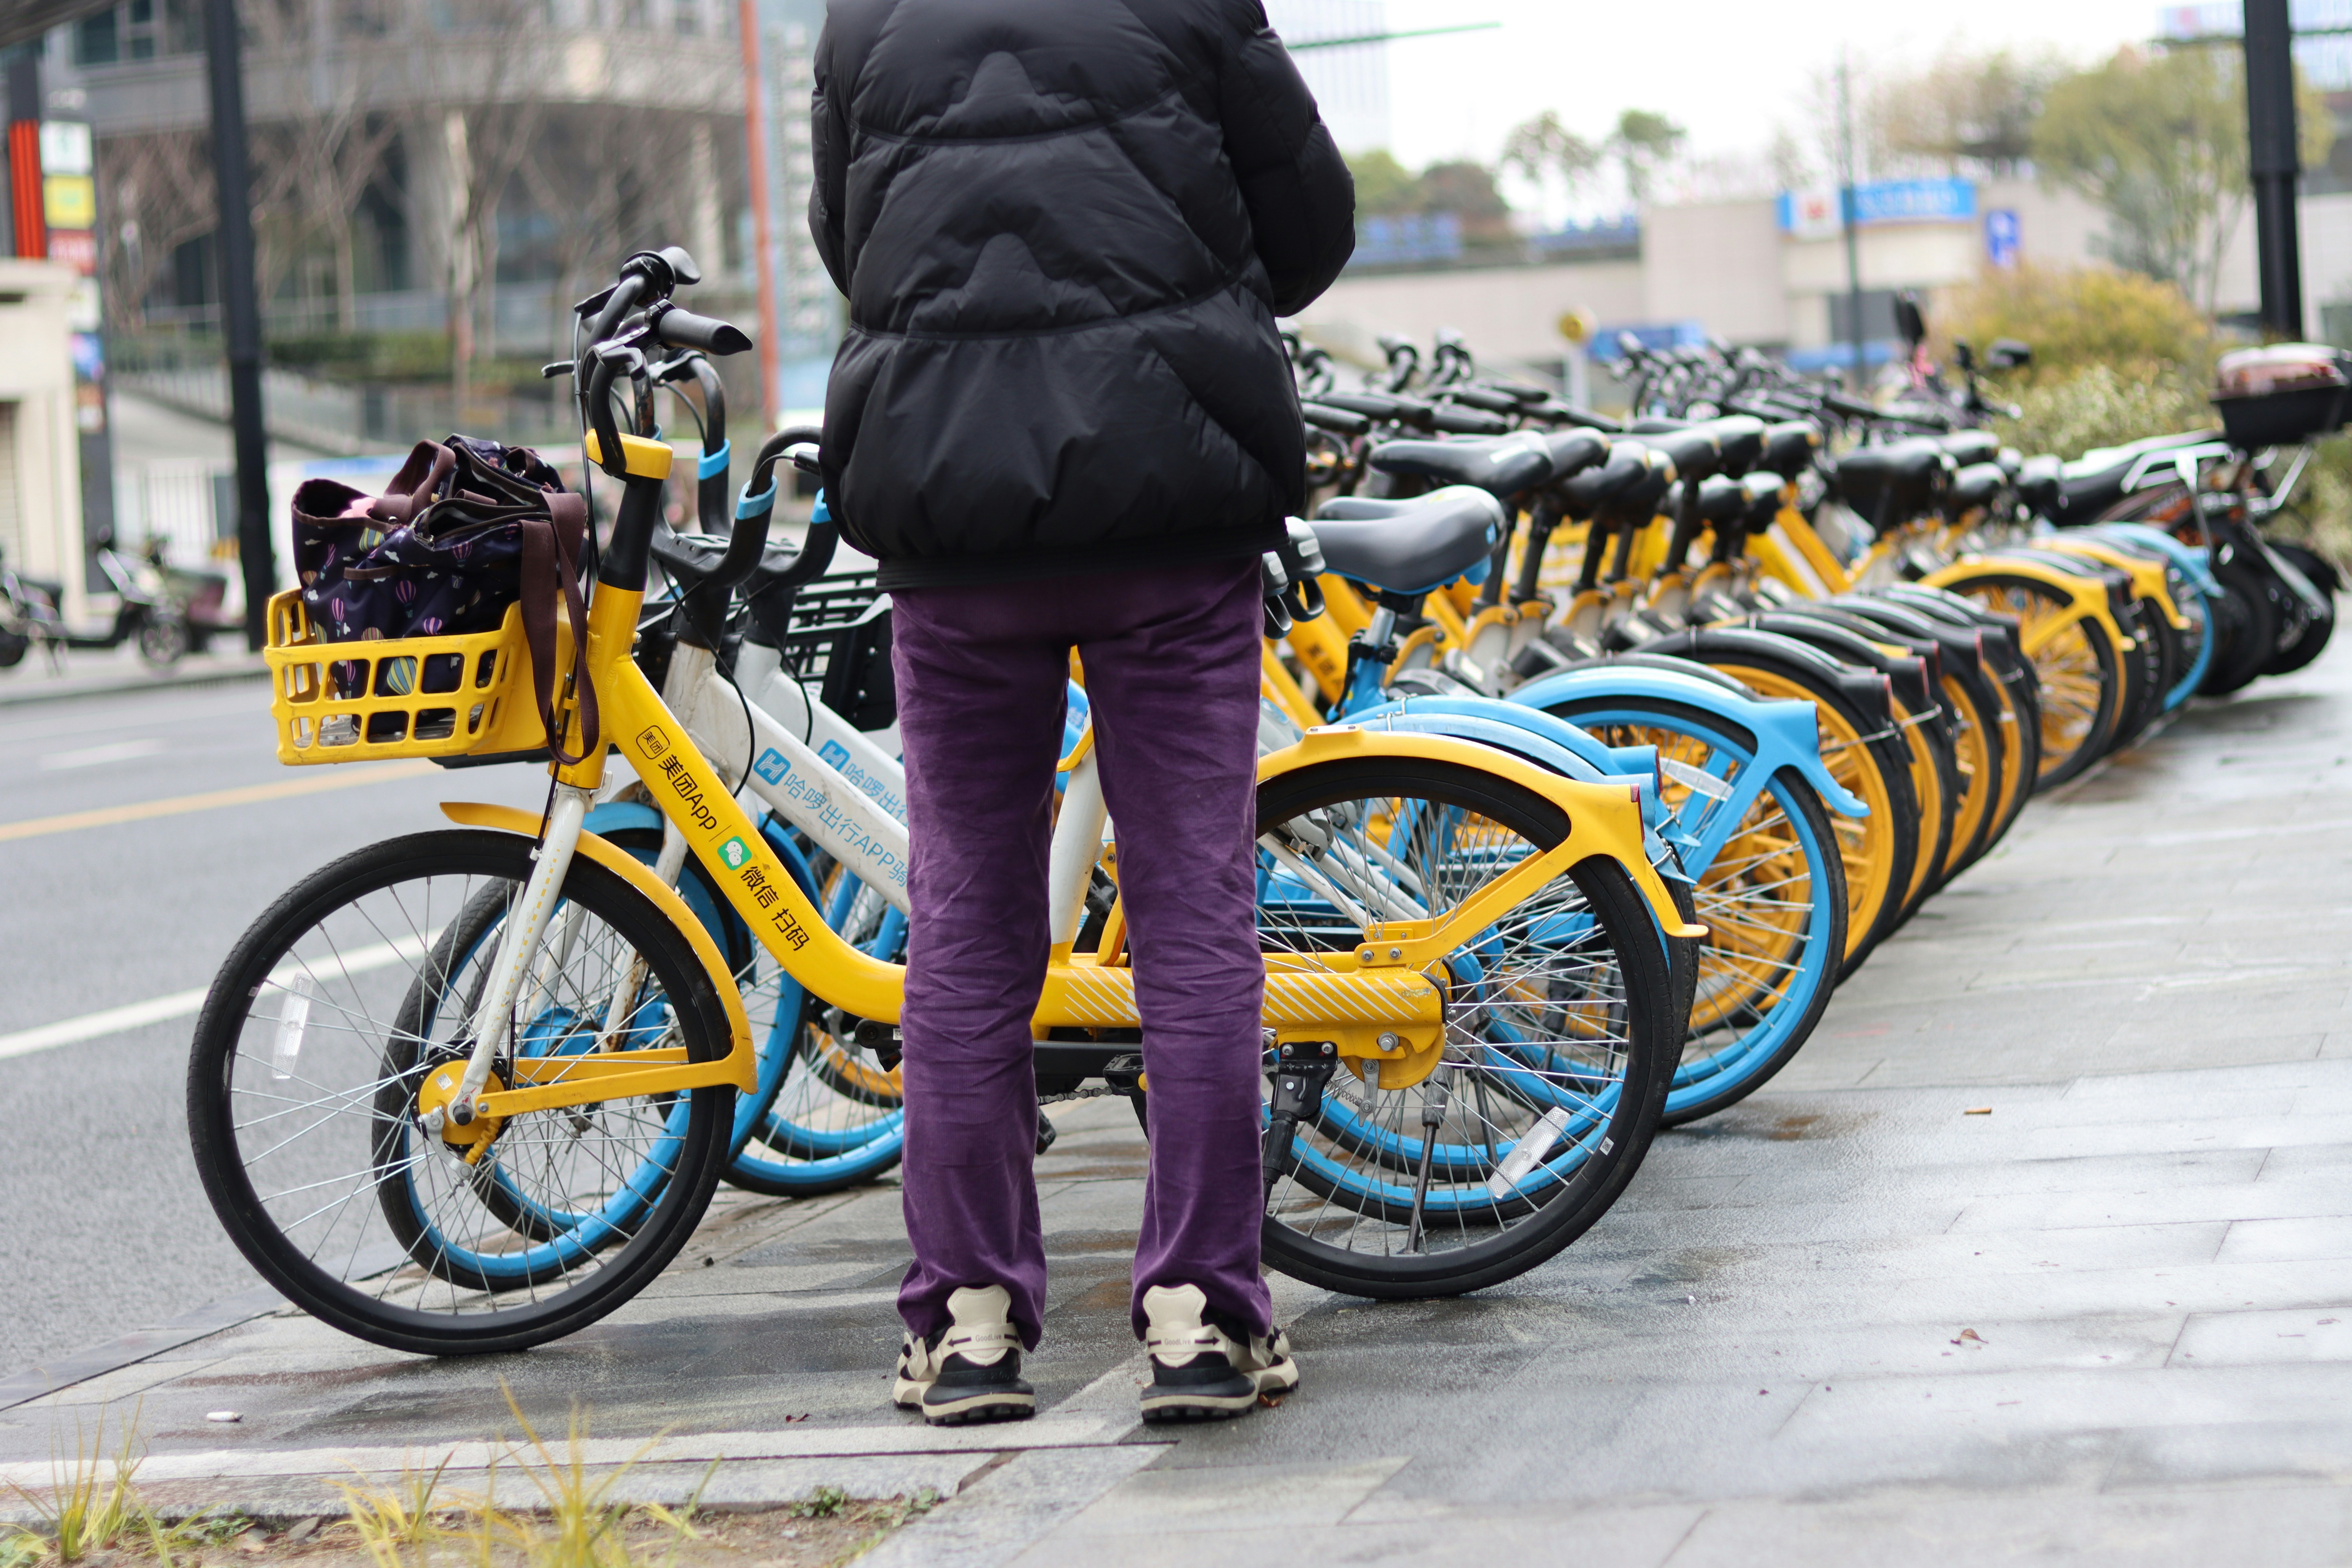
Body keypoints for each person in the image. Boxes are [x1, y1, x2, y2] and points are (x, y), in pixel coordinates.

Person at [806, 0, 1355, 1424]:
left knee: (971, 923)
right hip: (1170, 508)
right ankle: (1199, 1314)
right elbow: (1313, 233)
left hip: (951, 516)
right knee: (1193, 916)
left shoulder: (867, 23)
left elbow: (851, 244)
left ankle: (972, 1322)